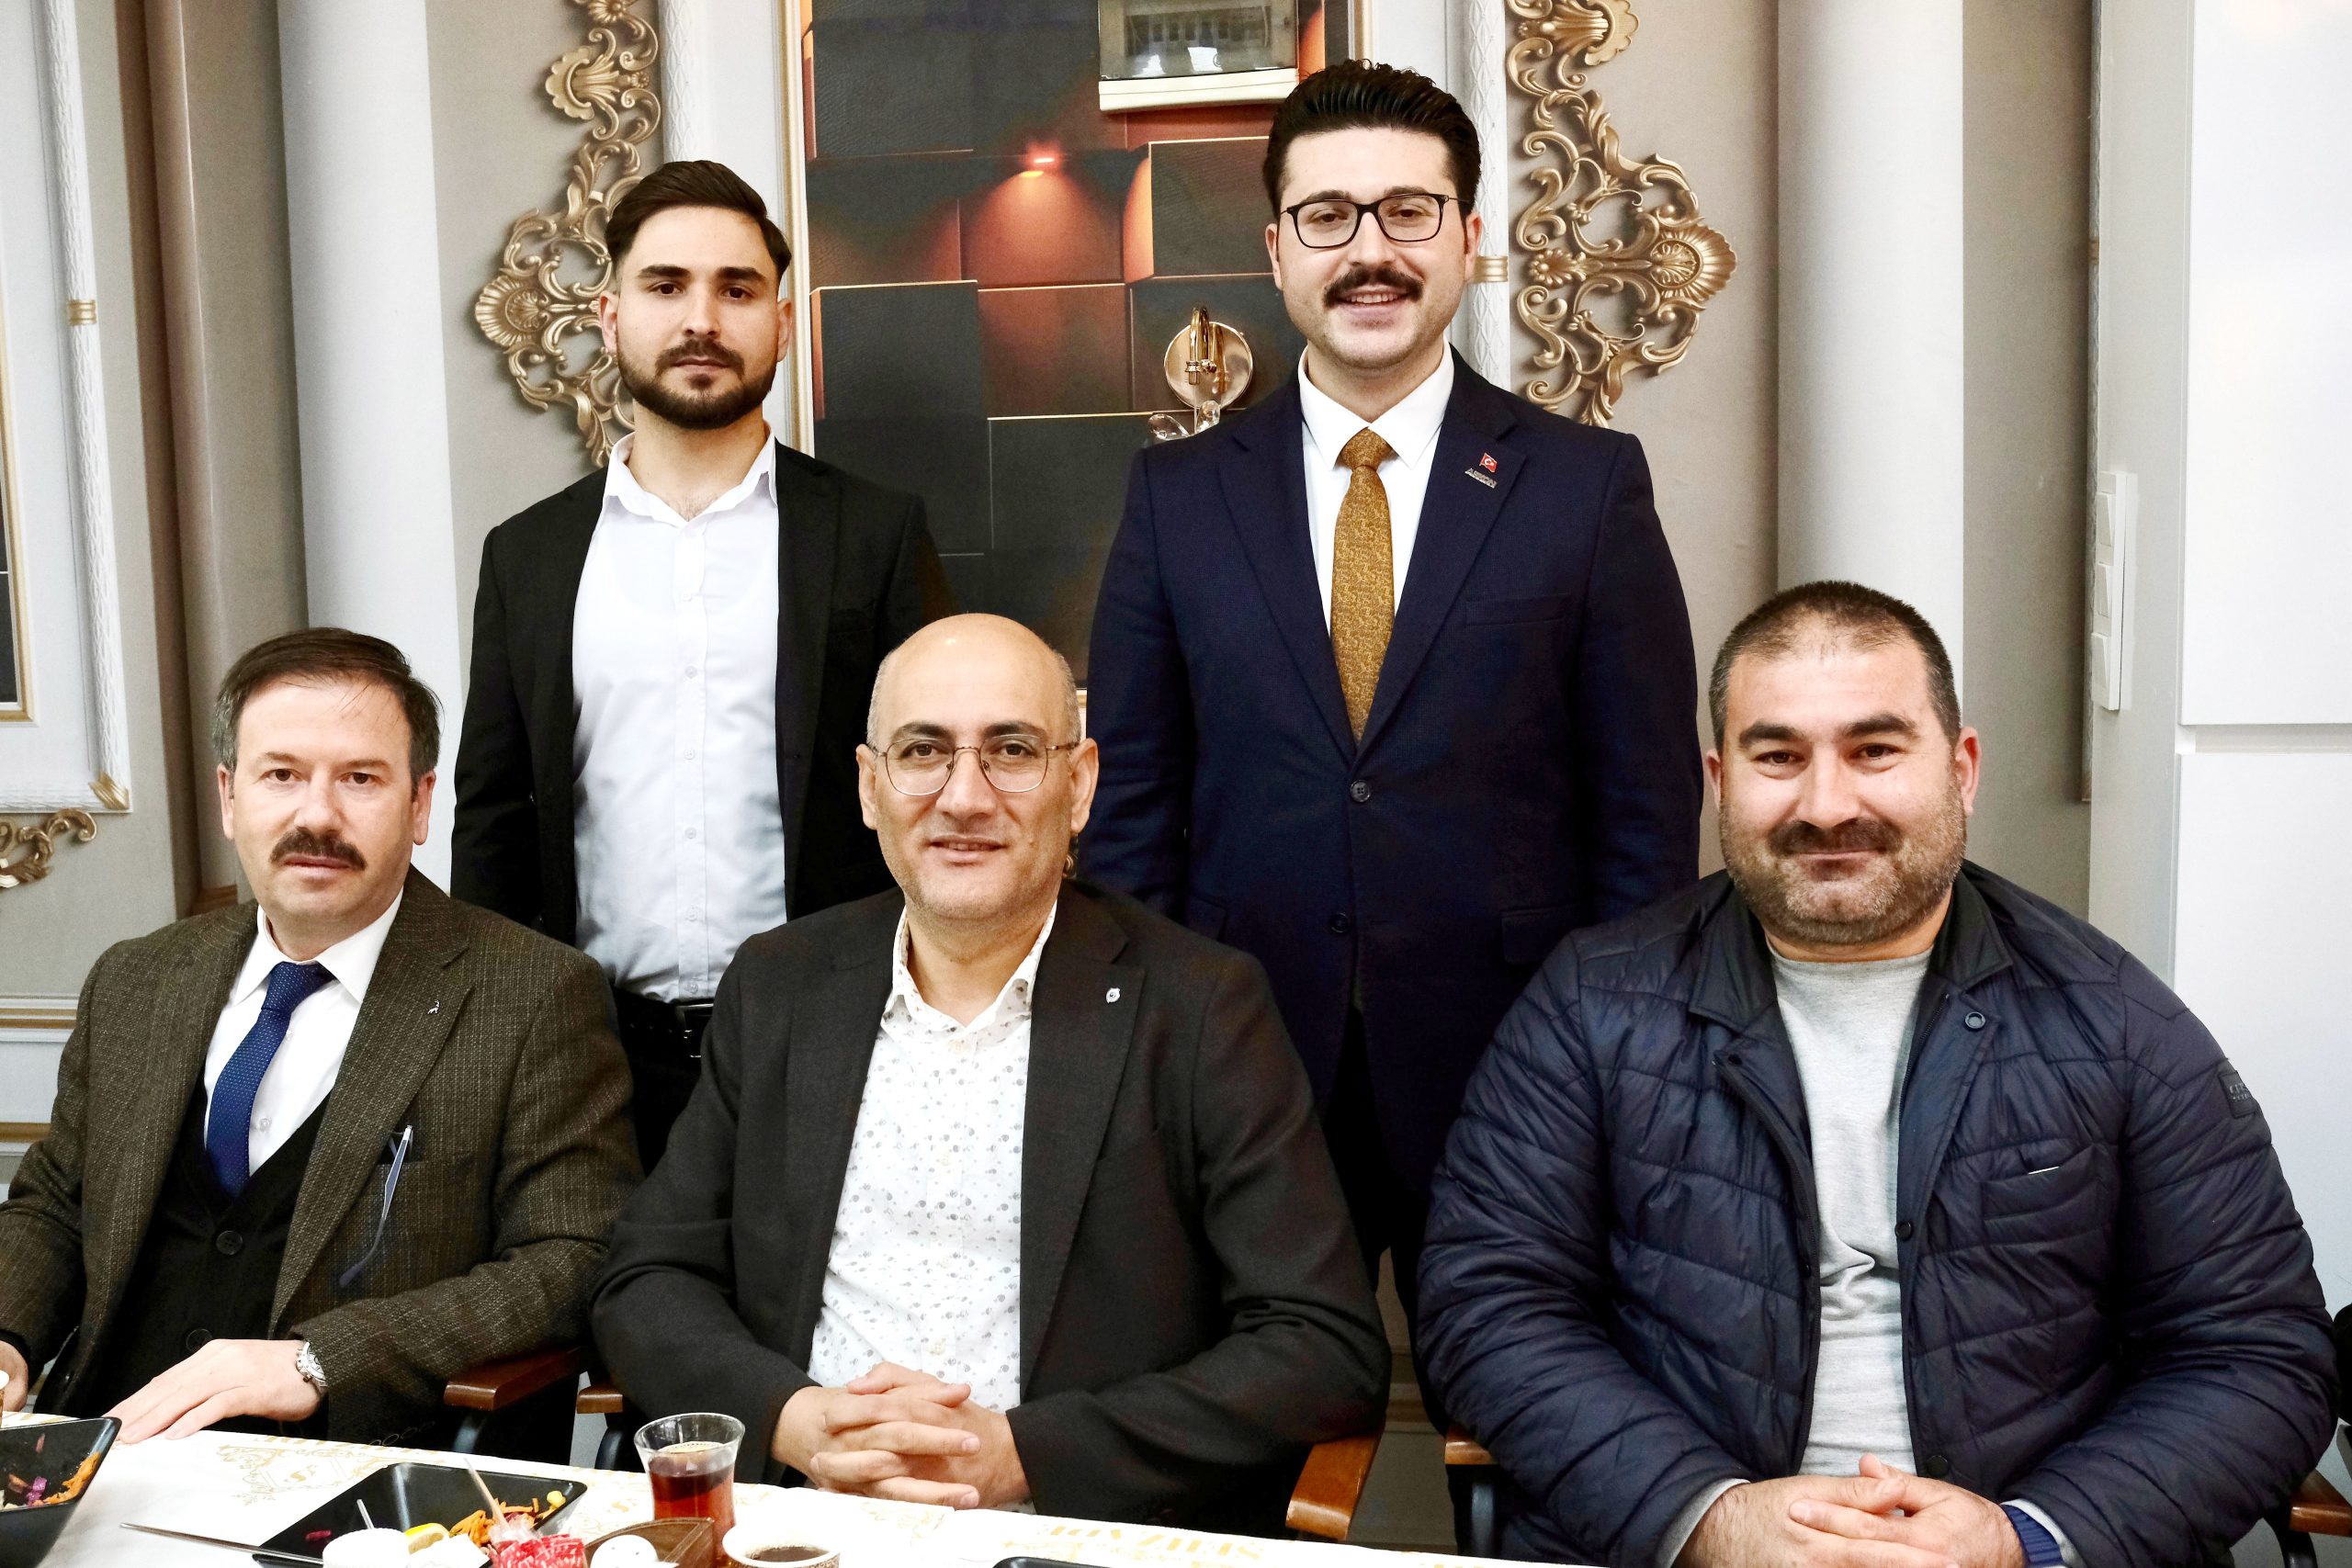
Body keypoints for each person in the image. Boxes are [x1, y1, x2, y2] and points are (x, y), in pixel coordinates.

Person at [1419, 581, 2335, 1568]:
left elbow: (2258, 1354)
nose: (1826, 806)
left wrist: (2021, 1538)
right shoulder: (1591, 1007)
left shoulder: (2114, 1022)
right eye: (1778, 757)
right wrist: (1709, 1518)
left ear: (1962, 769)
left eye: (1874, 750)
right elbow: (1487, 1305)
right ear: (1721, 781)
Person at [1080, 61, 1702, 1338]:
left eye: (1408, 212)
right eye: (1328, 215)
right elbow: (1132, 805)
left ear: (1468, 237)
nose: (1370, 252)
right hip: (1240, 1063)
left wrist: (1616, 1055)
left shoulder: (1583, 488)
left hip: (1516, 1064)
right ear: (1277, 249)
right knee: (1243, 1411)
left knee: (1522, 1406)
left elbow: (1643, 809)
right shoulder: (1176, 498)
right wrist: (1148, 1054)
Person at [592, 615, 1386, 1529]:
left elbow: (1321, 1344)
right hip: (801, 1527)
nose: (964, 797)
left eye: (1011, 750)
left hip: (1070, 1536)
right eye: (923, 751)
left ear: (1078, 785)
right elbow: (647, 1278)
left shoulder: (1201, 1007)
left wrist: (1023, 1452)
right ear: (870, 786)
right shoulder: (780, 985)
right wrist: (798, 1421)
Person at [0, 629, 637, 1444]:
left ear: (419, 804)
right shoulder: (136, 978)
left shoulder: (535, 995)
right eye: (282, 775)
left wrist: (318, 1362)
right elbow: (55, 1203)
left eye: (360, 778)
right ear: (229, 797)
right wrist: (7, 1333)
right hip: (97, 1450)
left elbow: (573, 1257)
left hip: (349, 1474)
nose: (317, 815)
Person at [453, 158, 954, 1168]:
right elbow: (495, 818)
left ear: (780, 321)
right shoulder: (528, 557)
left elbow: (940, 789)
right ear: (611, 315)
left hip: (832, 1045)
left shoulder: (874, 537)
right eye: (665, 285)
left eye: (736, 290)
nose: (701, 320)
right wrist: (488, 1050)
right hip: (593, 1065)